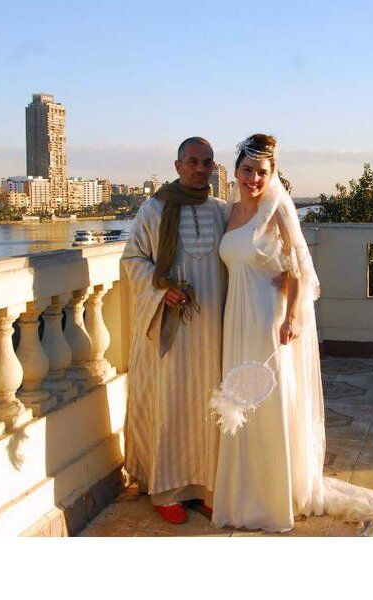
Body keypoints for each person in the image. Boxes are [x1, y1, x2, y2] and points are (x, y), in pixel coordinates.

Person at [211, 134, 373, 535]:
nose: (254, 178)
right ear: (235, 171)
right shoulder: (229, 212)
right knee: (241, 396)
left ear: (272, 173)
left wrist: (291, 316)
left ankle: (276, 496)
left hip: (268, 316)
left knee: (270, 397)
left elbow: (297, 266)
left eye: (262, 172)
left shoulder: (277, 207)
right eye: (247, 170)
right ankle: (244, 492)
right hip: (236, 316)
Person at [121, 137, 228, 524]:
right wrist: (160, 290)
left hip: (212, 331)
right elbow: (133, 258)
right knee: (170, 403)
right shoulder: (154, 209)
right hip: (170, 330)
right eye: (193, 162)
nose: (201, 169)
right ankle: (165, 490)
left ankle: (206, 487)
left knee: (209, 404)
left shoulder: (222, 211)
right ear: (178, 165)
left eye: (207, 162)